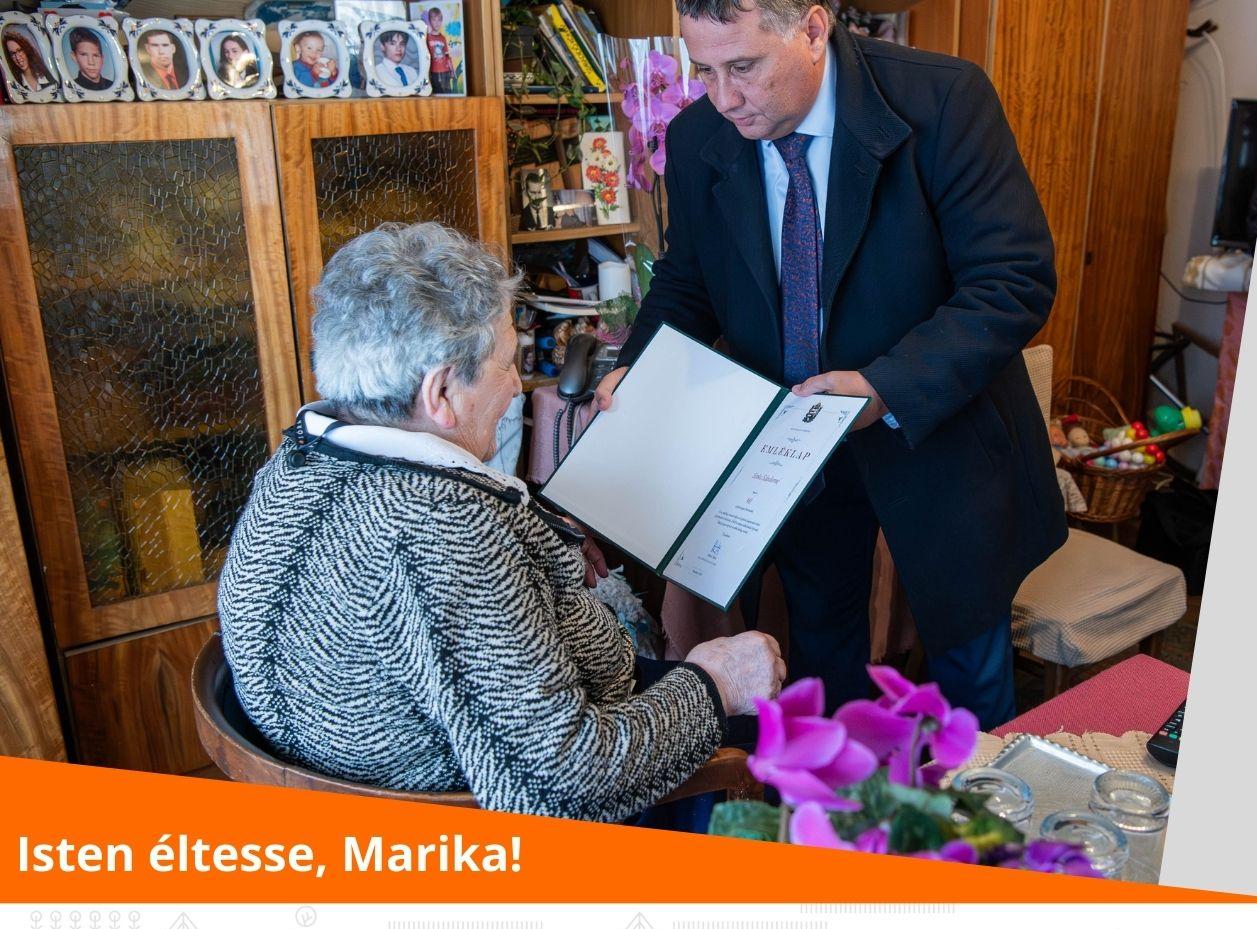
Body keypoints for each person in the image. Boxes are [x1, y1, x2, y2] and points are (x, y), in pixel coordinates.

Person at [596, 1, 1066, 728]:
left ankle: (971, 802)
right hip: (797, 441)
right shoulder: (697, 138)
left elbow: (1012, 280)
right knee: (821, 653)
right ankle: (842, 792)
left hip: (935, 427)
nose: (723, 99)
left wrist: (884, 387)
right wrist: (638, 366)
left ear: (812, 31)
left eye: (743, 67)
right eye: (704, 71)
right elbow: (688, 278)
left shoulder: (942, 99)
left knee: (968, 672)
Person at [218, 222, 783, 822]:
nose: (516, 387)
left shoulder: (296, 460)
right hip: (484, 815)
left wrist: (531, 541)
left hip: (389, 747)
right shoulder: (440, 533)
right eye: (505, 364)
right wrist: (715, 684)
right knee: (766, 723)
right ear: (440, 393)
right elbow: (560, 782)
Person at [3, 27, 56, 93]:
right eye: (13, 54)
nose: (18, 57)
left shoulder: (48, 76)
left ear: (26, 50)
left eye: (19, 50)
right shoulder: (14, 85)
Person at [422, 6, 454, 94]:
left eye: (439, 20)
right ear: (430, 20)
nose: (437, 23)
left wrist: (451, 70)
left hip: (445, 71)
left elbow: (447, 55)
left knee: (447, 93)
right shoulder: (426, 38)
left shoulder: (443, 38)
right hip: (433, 72)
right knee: (437, 93)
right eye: (434, 20)